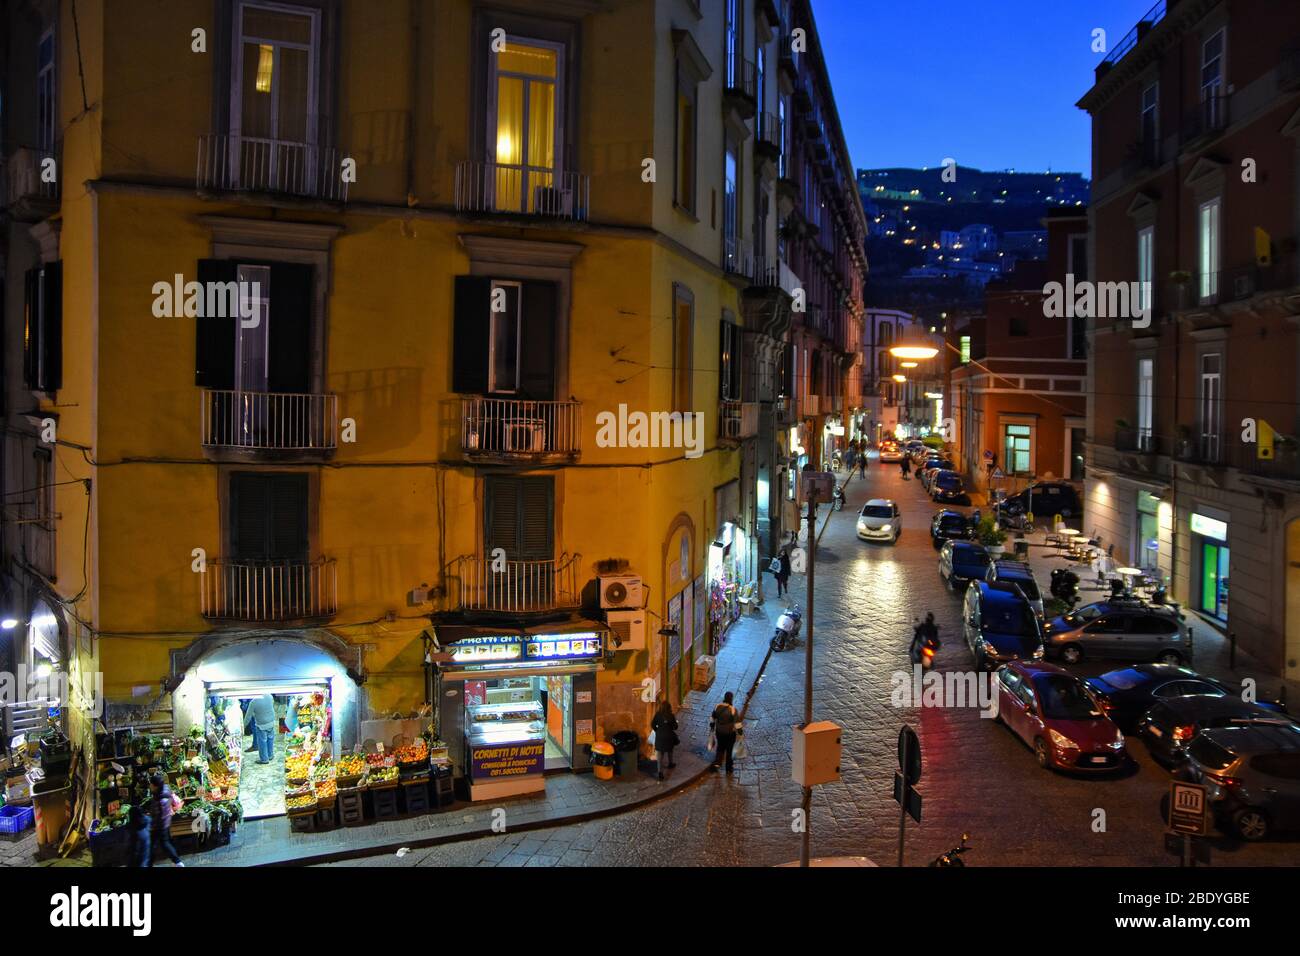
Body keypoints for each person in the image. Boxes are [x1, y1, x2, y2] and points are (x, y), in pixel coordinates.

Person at [146, 773, 183, 867]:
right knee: (160, 843)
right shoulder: (165, 789)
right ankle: (176, 862)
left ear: (155, 786)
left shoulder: (160, 800)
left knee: (162, 844)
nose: (150, 786)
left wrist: (151, 822)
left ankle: (177, 862)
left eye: (151, 784)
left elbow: (157, 815)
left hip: (159, 824)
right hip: (166, 821)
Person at [709, 692, 740, 773]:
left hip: (719, 732)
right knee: (729, 750)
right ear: (731, 699)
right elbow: (737, 723)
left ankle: (717, 763)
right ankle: (729, 768)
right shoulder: (733, 710)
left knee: (720, 747)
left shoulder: (717, 706)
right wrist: (740, 732)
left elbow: (712, 718)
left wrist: (712, 726)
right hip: (729, 733)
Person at [243, 692, 278, 764]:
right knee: (270, 739)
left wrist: (243, 726)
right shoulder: (269, 696)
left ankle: (264, 759)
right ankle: (270, 755)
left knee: (262, 742)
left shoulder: (253, 702)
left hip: (261, 724)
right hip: (271, 721)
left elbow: (248, 717)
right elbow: (271, 705)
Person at [651, 701, 680, 781]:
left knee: (660, 756)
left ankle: (660, 773)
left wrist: (657, 730)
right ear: (669, 707)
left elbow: (652, 724)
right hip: (669, 737)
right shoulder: (671, 716)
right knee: (670, 750)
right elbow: (675, 727)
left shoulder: (657, 715)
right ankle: (670, 763)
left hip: (660, 737)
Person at [129, 802, 151, 868]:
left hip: (140, 862)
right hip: (146, 856)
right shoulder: (147, 820)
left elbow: (134, 851)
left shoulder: (136, 832)